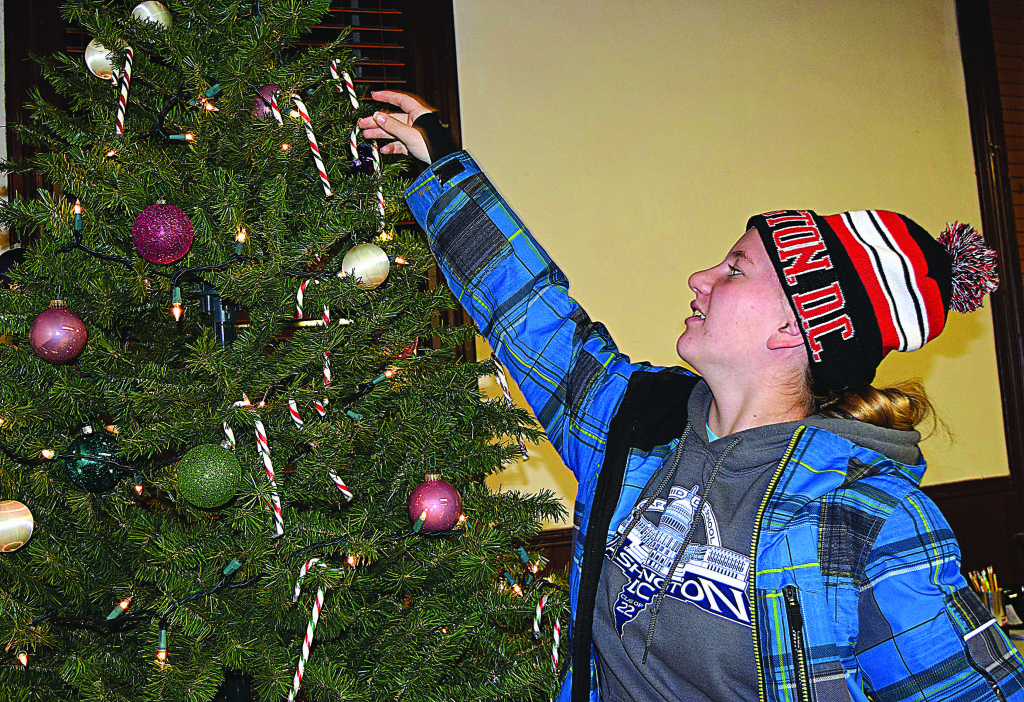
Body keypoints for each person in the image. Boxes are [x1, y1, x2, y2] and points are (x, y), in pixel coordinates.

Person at [359, 92, 1024, 702]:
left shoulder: (868, 517)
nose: (700, 278)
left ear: (796, 326)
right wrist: (444, 166)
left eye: (734, 269)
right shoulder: (639, 425)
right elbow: (531, 315)